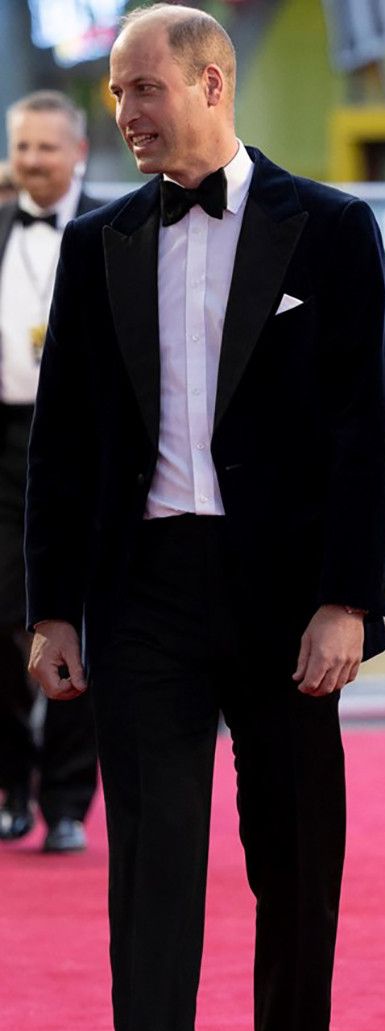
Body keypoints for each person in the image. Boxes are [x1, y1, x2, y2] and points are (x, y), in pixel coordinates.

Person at [25, 6, 385, 1031]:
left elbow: (369, 427)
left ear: (211, 81)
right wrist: (52, 608)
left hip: (289, 601)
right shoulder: (98, 243)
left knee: (294, 869)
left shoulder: (331, 229)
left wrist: (349, 599)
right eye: (114, 93)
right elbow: (65, 440)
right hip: (144, 595)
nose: (126, 112)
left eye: (143, 87)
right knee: (151, 882)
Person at [0, 91, 101, 852]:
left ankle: (67, 801)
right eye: (21, 147)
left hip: (88, 450)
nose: (32, 161)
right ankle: (12, 787)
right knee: (2, 625)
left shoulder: (119, 227)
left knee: (80, 623)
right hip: (4, 447)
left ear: (79, 153)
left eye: (46, 147)